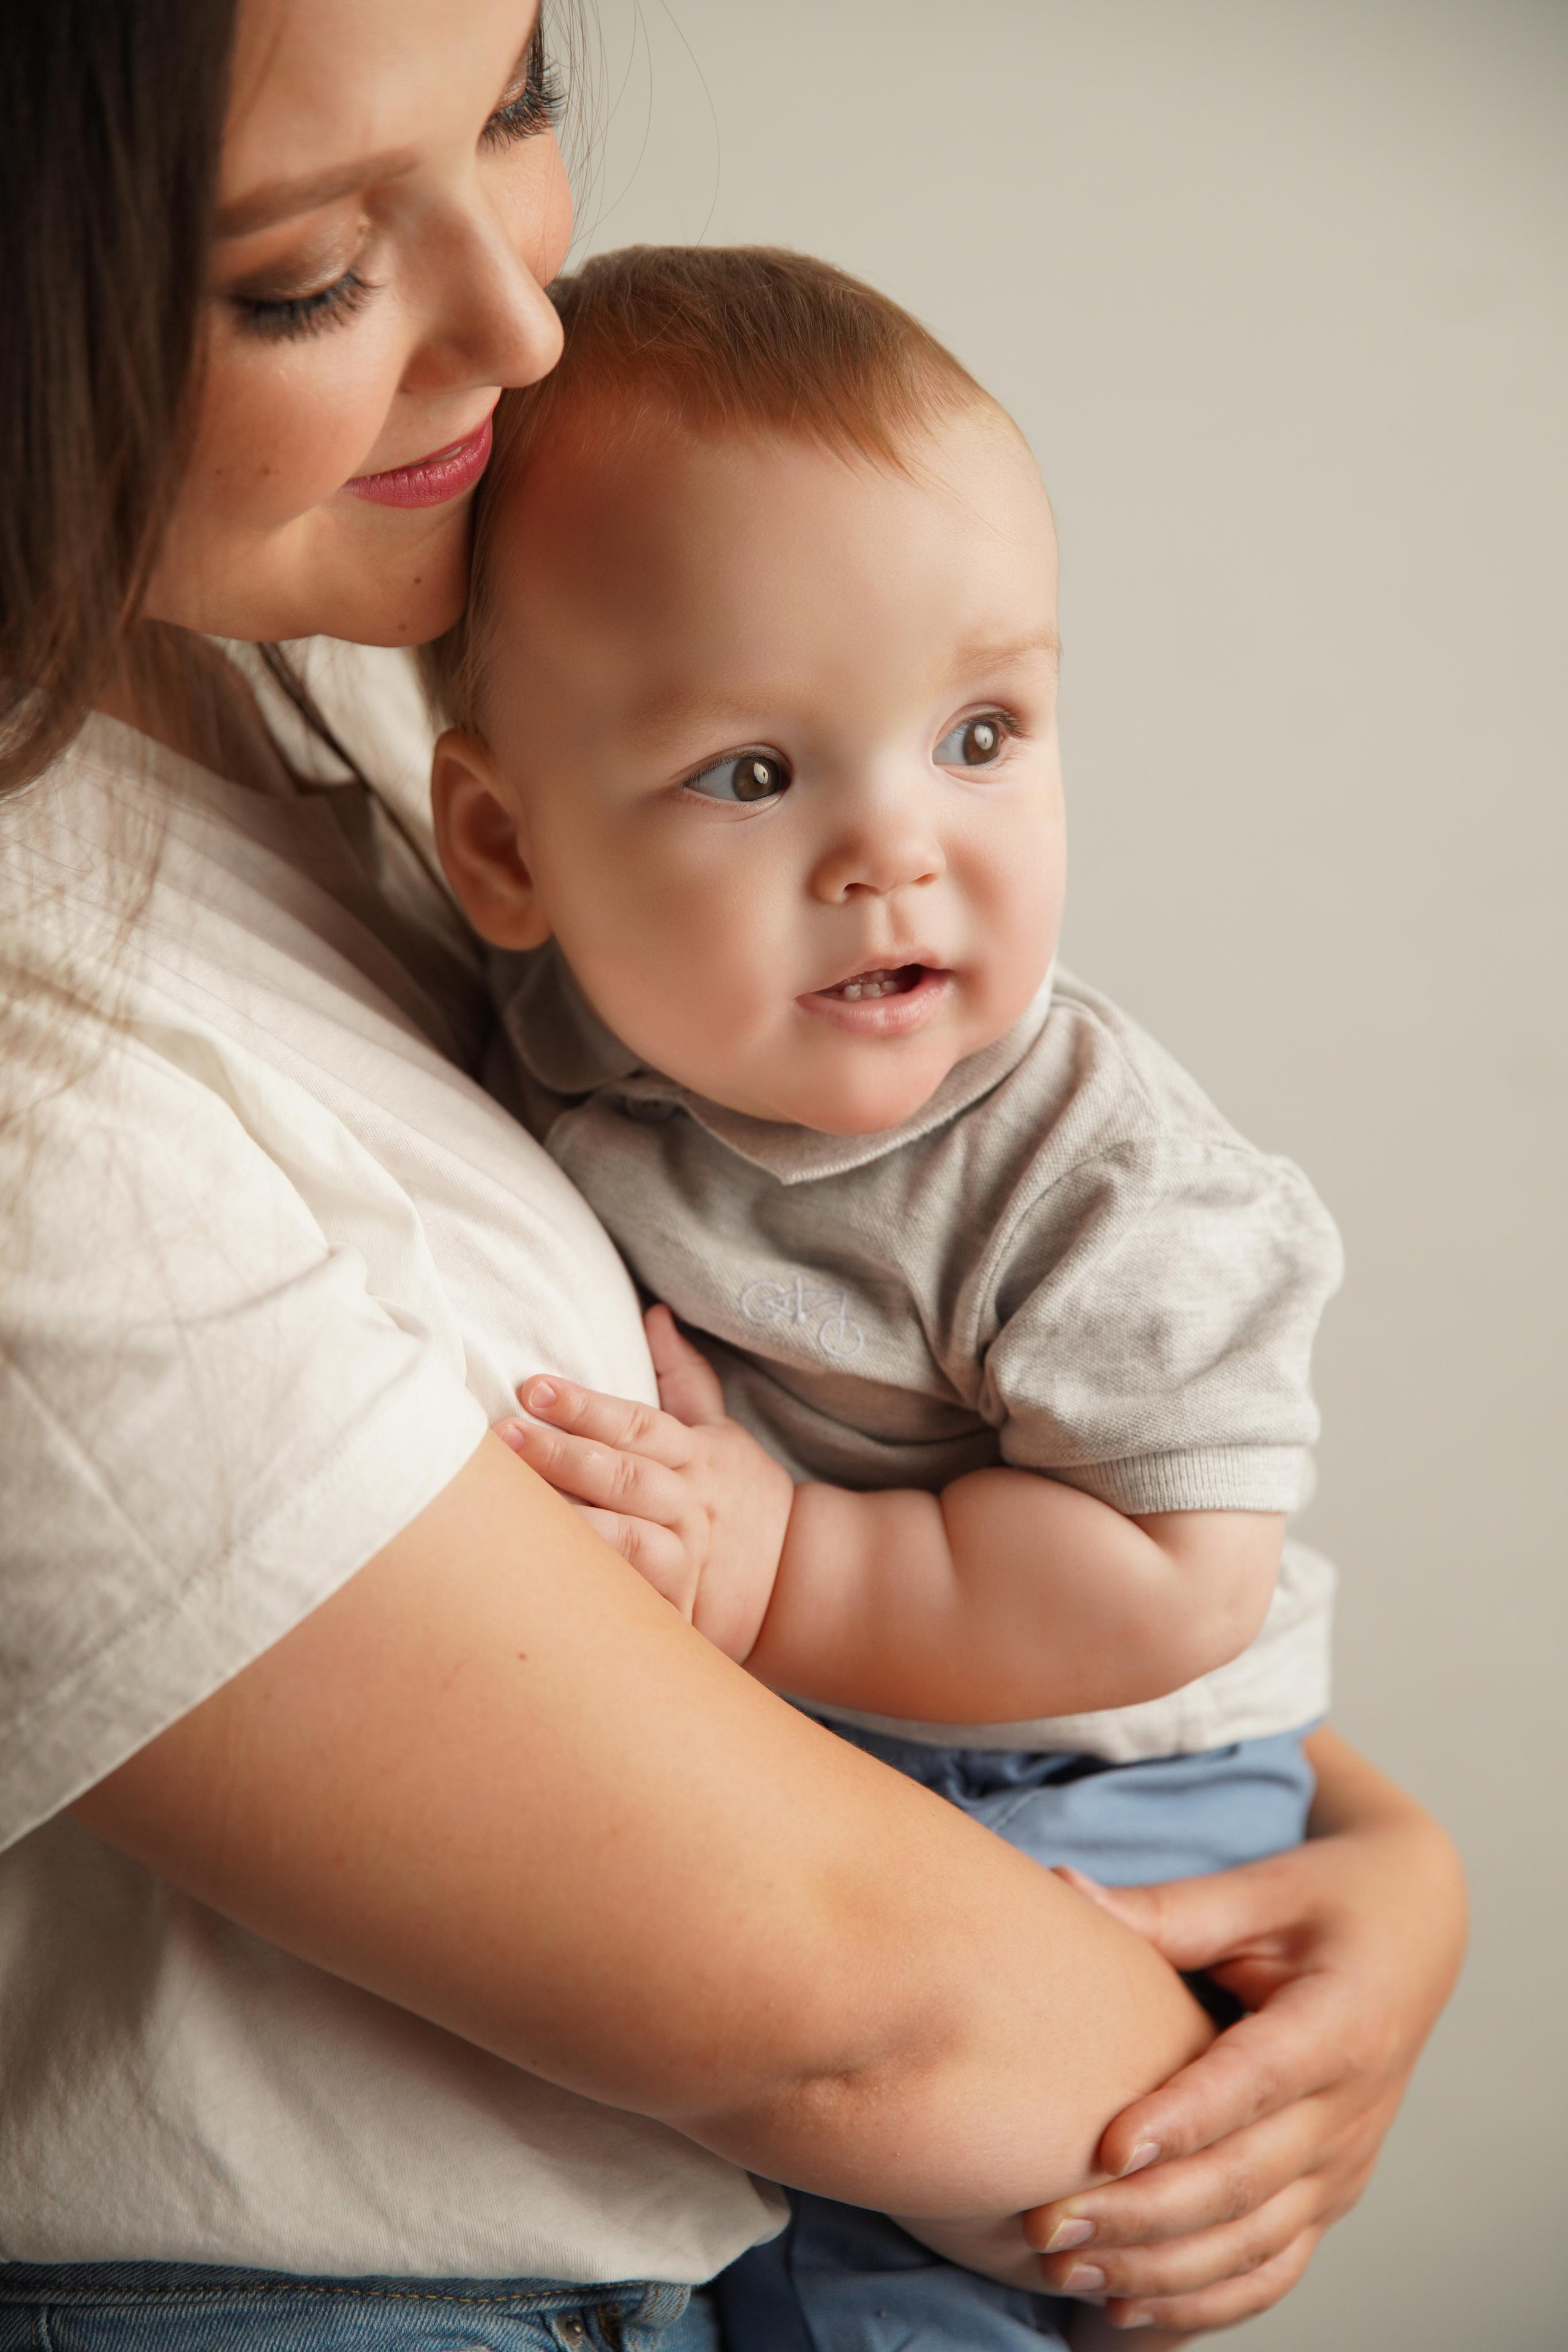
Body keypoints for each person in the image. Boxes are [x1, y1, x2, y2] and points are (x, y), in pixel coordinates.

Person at [0, 4, 1466, 2348]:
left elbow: (1081, 1525)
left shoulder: (323, 668)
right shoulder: (51, 1050)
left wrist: (1374, 1860)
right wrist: (1212, 2038)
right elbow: (839, 2004)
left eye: (514, 106)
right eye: (300, 277)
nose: (523, 325)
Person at [421, 242, 1343, 2347]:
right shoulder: (560, 1020)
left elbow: (1177, 1571)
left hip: (1100, 1791)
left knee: (892, 2298)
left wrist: (797, 1568)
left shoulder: (1094, 1170)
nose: (896, 848)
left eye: (982, 731)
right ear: (506, 852)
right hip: (844, 1774)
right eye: (756, 773)